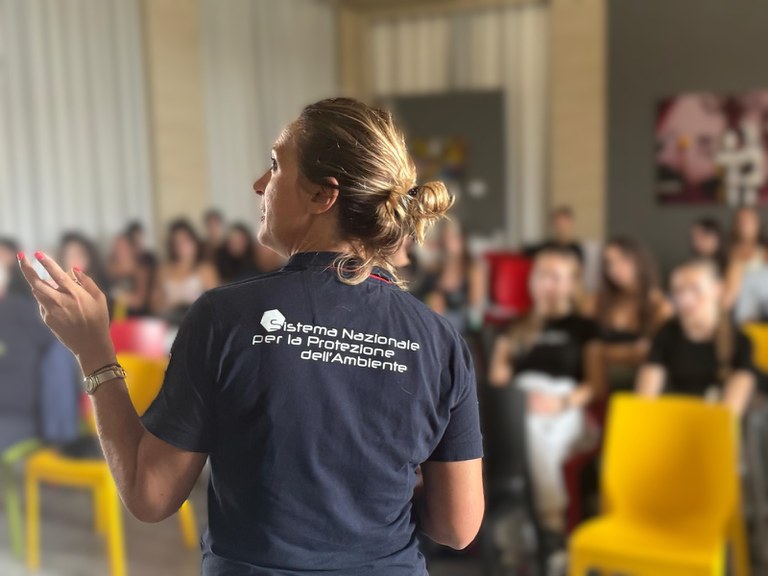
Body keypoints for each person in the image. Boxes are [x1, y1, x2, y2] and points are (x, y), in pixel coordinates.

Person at [18, 97, 484, 575]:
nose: (259, 184)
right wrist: (380, 484)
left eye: (276, 165)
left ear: (322, 195)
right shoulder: (439, 340)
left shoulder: (224, 318)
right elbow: (458, 525)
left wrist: (94, 351)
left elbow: (149, 494)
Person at [489, 247, 601, 532]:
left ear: (571, 283)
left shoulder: (584, 328)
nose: (545, 283)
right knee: (524, 427)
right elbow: (497, 377)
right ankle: (538, 527)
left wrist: (560, 403)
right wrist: (520, 397)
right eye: (540, 275)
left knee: (533, 430)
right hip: (522, 400)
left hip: (567, 404)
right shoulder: (515, 326)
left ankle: (546, 522)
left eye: (554, 276)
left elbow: (596, 384)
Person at [636, 259, 755, 417]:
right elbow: (644, 400)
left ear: (717, 289)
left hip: (711, 424)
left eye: (695, 289)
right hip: (673, 419)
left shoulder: (740, 341)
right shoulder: (666, 334)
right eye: (678, 290)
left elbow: (729, 415)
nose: (685, 298)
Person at [584, 237, 672, 392]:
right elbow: (583, 338)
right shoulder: (598, 301)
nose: (615, 268)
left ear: (639, 260)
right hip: (598, 379)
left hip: (641, 381)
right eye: (609, 263)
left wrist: (605, 352)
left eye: (623, 260)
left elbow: (654, 352)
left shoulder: (659, 305)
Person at [422, 220, 485, 333]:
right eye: (445, 237)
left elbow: (475, 307)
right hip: (434, 317)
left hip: (461, 320)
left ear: (462, 239)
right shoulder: (436, 265)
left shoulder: (473, 267)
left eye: (452, 237)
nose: (447, 242)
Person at [154, 219, 219, 324]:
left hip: (198, 322)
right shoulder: (164, 269)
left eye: (185, 241)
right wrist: (169, 305)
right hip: (170, 322)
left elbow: (215, 304)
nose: (182, 246)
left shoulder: (205, 269)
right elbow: (155, 305)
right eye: (177, 242)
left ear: (194, 242)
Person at [724, 207, 768, 310]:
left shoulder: (765, 252)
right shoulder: (724, 252)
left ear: (758, 224)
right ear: (735, 225)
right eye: (741, 221)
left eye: (750, 221)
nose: (745, 225)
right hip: (732, 307)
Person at [106, 233, 155, 318]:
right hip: (113, 316)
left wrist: (119, 296)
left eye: (123, 247)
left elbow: (140, 301)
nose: (119, 251)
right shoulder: (108, 269)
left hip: (136, 316)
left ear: (131, 248)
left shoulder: (140, 270)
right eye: (116, 247)